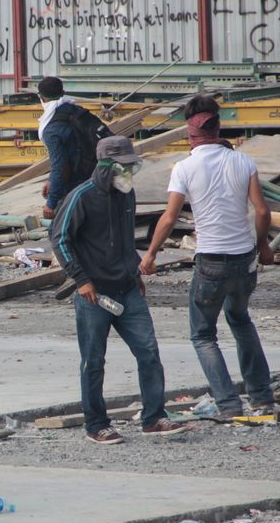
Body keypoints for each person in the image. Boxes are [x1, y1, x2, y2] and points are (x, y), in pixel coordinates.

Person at [140, 94, 275, 420]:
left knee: (203, 335)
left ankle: (229, 405)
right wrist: (264, 246)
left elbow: (170, 218)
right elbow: (261, 210)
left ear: (190, 134)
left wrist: (150, 254)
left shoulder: (184, 167)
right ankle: (262, 398)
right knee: (241, 321)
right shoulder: (243, 161)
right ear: (218, 128)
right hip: (244, 260)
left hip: (211, 263)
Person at [50, 136, 187, 444]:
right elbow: (59, 238)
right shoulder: (81, 197)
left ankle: (154, 418)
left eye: (131, 166)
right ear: (105, 167)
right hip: (94, 295)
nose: (129, 173)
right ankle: (96, 424)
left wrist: (135, 270)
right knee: (93, 360)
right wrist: (81, 279)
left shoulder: (126, 194)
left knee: (149, 352)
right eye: (123, 167)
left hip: (127, 288)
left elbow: (125, 238)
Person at [38, 76, 112, 220]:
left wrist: (51, 204)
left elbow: (60, 167)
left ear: (42, 98)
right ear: (63, 92)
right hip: (100, 179)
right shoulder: (80, 112)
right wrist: (51, 180)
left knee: (62, 231)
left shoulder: (50, 129)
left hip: (76, 188)